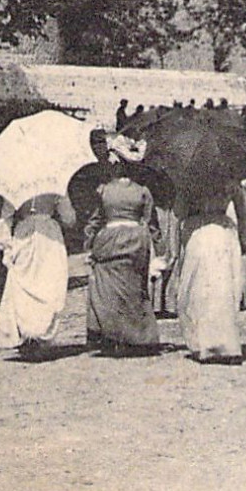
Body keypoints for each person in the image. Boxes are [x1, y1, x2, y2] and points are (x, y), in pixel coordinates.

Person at [83, 135, 160, 354]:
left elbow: (95, 220)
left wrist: (88, 242)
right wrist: (159, 249)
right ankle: (137, 335)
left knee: (107, 287)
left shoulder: (104, 190)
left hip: (109, 241)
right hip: (136, 241)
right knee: (135, 287)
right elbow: (151, 222)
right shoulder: (142, 191)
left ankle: (110, 333)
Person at [0, 190, 77, 356]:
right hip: (49, 236)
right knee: (47, 281)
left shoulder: (17, 183)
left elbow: (6, 216)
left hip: (24, 233)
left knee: (24, 281)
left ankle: (27, 332)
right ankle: (41, 331)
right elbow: (69, 219)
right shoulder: (54, 184)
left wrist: (2, 241)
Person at [175, 181, 245, 364]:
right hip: (224, 233)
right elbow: (243, 213)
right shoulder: (232, 182)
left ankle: (202, 343)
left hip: (199, 232)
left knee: (199, 288)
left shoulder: (190, 183)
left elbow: (179, 212)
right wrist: (243, 238)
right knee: (223, 287)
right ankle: (226, 342)